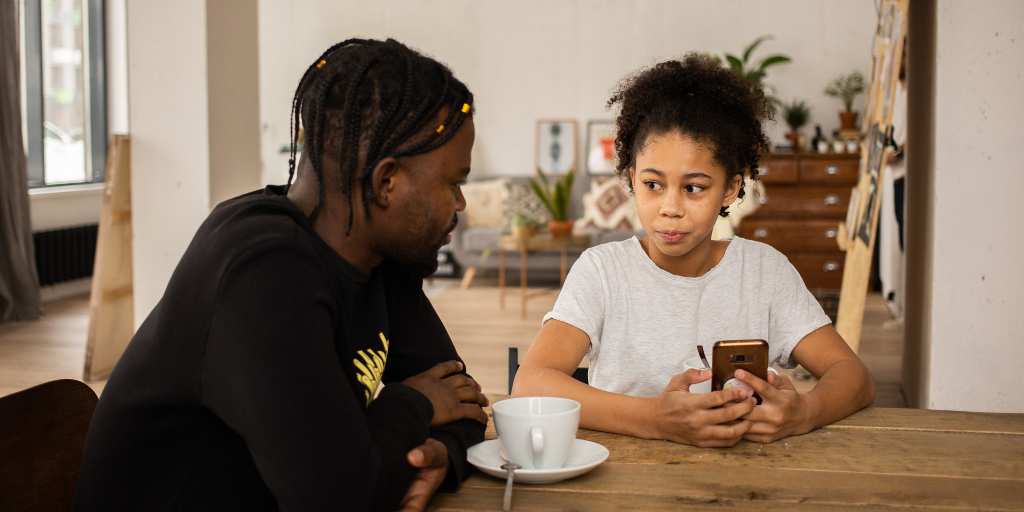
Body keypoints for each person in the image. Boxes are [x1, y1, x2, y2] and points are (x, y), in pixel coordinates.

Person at [76, 38, 487, 511]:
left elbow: (462, 398)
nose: (460, 204)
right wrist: (414, 406)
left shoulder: (377, 253)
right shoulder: (263, 271)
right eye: (454, 182)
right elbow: (340, 498)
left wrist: (444, 454)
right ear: (386, 183)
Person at [513, 54, 874, 448]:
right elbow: (530, 383)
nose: (670, 207)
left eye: (694, 187)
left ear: (732, 188)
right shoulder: (602, 271)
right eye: (653, 184)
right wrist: (656, 419)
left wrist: (805, 412)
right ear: (632, 178)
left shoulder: (764, 272)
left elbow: (852, 375)